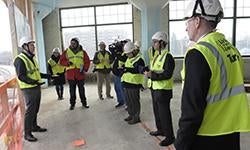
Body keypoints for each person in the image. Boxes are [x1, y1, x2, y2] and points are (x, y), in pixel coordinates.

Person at [168, 0, 250, 150]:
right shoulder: (230, 48)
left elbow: (192, 109)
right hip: (231, 131)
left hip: (207, 134)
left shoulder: (199, 53)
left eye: (188, 21)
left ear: (197, 21)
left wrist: (179, 145)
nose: (186, 27)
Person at [14, 36, 48, 142]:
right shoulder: (20, 59)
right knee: (30, 110)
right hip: (29, 89)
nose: (33, 47)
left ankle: (34, 126)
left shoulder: (32, 58)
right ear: (25, 46)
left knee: (35, 109)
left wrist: (48, 76)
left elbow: (36, 73)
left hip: (36, 86)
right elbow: (21, 76)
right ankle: (27, 133)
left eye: (33, 45)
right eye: (31, 45)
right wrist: (33, 82)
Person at [144, 31, 175, 146]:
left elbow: (167, 74)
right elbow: (154, 68)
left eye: (155, 42)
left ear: (162, 42)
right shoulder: (157, 55)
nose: (153, 44)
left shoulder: (168, 57)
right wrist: (146, 69)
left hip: (163, 90)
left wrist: (153, 76)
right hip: (155, 88)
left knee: (164, 114)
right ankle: (160, 130)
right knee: (157, 111)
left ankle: (170, 136)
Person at [60, 38, 90, 110]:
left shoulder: (83, 52)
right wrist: (67, 63)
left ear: (77, 44)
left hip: (80, 74)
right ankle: (72, 104)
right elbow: (61, 61)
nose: (72, 45)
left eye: (74, 43)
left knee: (81, 90)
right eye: (71, 43)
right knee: (72, 91)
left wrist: (85, 69)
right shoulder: (66, 52)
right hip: (71, 75)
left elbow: (87, 61)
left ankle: (84, 103)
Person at [121, 41, 145, 124]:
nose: (127, 55)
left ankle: (136, 117)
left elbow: (138, 70)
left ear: (133, 51)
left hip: (134, 84)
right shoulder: (129, 58)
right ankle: (131, 114)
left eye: (128, 53)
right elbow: (128, 67)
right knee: (128, 101)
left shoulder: (139, 60)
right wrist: (124, 68)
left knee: (134, 101)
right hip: (127, 83)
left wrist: (127, 69)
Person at [110, 40, 128, 108]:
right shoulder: (120, 52)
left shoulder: (127, 54)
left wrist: (115, 53)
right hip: (116, 74)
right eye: (122, 45)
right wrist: (113, 52)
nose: (122, 47)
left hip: (122, 74)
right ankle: (120, 101)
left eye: (124, 45)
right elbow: (113, 58)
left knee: (122, 89)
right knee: (117, 88)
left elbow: (122, 59)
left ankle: (126, 103)